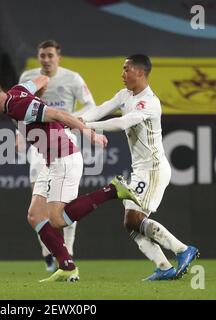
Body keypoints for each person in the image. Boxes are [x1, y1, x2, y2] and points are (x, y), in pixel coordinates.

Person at [0, 73, 141, 282]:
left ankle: (113, 190)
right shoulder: (18, 91)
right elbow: (42, 79)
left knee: (57, 219)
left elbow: (59, 114)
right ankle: (67, 266)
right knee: (35, 216)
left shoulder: (18, 105)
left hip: (65, 159)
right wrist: (38, 95)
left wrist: (90, 134)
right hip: (50, 161)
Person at [82, 54, 199, 281]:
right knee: (131, 223)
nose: (122, 74)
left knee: (134, 219)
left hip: (153, 169)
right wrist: (76, 119)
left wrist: (86, 125)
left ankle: (183, 250)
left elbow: (121, 122)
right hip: (140, 169)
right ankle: (164, 267)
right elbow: (103, 108)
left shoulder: (150, 103)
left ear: (140, 73)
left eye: (126, 69)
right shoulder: (125, 95)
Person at [17, 40, 96, 273]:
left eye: (50, 55)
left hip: (65, 141)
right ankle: (48, 253)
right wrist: (19, 134)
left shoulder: (72, 78)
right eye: (42, 55)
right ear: (38, 57)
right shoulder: (28, 77)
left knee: (66, 203)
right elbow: (20, 111)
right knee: (39, 203)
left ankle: (68, 250)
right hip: (39, 145)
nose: (46, 60)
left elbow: (91, 105)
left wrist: (65, 117)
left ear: (58, 57)